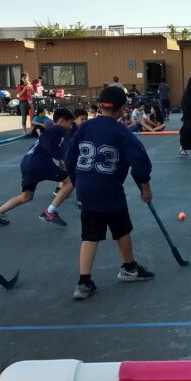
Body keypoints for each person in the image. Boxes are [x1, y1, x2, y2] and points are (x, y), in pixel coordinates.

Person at [65, 85, 154, 300]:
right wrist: (145, 188)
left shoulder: (85, 127)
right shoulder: (122, 132)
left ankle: (84, 282)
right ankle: (129, 268)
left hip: (87, 190)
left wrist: (78, 182)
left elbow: (70, 156)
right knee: (121, 228)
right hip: (109, 190)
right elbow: (139, 160)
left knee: (90, 234)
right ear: (123, 108)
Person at [0, 108, 75, 226]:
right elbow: (57, 152)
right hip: (40, 164)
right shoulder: (57, 130)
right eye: (70, 123)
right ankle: (50, 211)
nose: (71, 126)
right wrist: (67, 162)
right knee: (71, 181)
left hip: (27, 163)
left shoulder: (51, 131)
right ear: (62, 121)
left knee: (26, 196)